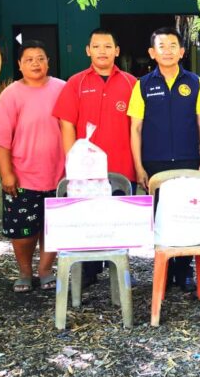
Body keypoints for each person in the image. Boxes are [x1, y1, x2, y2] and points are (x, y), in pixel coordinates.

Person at [128, 26, 200, 290]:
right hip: (155, 163)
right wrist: (139, 166)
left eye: (173, 45)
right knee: (160, 219)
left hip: (188, 161)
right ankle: (162, 271)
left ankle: (183, 271)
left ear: (182, 51)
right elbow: (135, 128)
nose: (168, 51)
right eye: (161, 46)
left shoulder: (194, 82)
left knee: (186, 215)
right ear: (152, 53)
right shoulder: (143, 85)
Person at [53, 27, 137, 286]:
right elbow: (66, 124)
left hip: (122, 168)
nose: (102, 51)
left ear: (117, 51)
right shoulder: (75, 83)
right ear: (88, 50)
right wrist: (72, 163)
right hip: (85, 170)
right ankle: (88, 272)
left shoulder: (131, 83)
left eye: (108, 46)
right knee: (88, 222)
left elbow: (138, 127)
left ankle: (119, 273)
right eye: (97, 46)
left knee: (118, 224)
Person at [0, 41, 66, 293]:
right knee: (23, 231)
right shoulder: (11, 94)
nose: (35, 63)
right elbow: (0, 138)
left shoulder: (62, 88)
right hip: (23, 176)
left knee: (53, 227)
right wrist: (6, 173)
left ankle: (45, 270)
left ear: (48, 62)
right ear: (20, 65)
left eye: (40, 58)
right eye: (29, 59)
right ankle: (24, 271)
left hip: (59, 174)